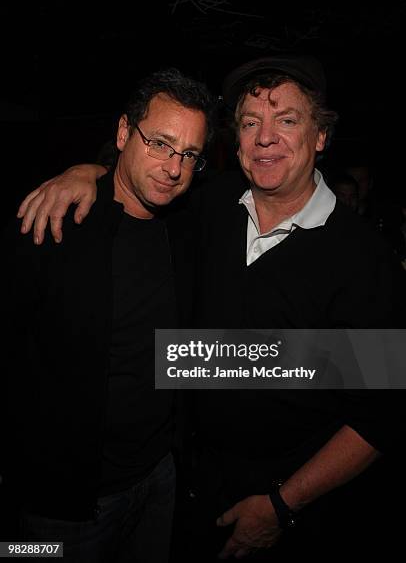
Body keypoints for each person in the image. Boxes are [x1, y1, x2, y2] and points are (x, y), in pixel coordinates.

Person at [14, 54, 405, 560]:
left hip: (288, 509)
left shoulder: (361, 258)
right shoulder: (208, 205)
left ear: (321, 136)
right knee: (23, 551)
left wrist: (282, 505)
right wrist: (85, 173)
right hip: (177, 491)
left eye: (287, 120)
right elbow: (142, 174)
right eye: (249, 122)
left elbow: (381, 413)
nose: (265, 138)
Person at [2, 67, 215, 563]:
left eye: (188, 154)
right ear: (123, 133)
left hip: (160, 478)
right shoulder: (53, 223)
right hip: (63, 502)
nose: (173, 167)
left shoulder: (186, 229)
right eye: (160, 144)